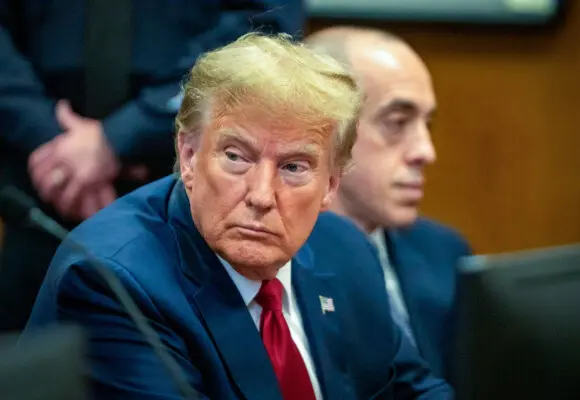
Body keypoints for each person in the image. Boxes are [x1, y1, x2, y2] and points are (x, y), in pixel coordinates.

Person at [22, 33, 452, 399]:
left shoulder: (346, 249)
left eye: (294, 167)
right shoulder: (113, 282)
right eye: (236, 157)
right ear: (188, 156)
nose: (262, 195)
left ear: (332, 184)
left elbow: (413, 389)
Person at [0, 0, 304, 331]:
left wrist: (124, 134)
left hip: (190, 185)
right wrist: (45, 136)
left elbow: (263, 25)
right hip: (37, 186)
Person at [305, 27, 472, 378]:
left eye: (427, 124)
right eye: (397, 123)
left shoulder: (446, 254)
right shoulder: (269, 269)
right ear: (322, 131)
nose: (426, 152)